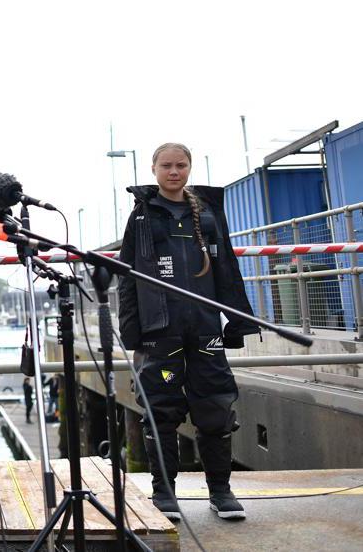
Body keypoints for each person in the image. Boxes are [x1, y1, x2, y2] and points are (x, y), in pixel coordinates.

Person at [118, 142, 259, 522]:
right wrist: (131, 331)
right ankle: (164, 493)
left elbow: (227, 267)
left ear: (189, 168)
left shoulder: (209, 215)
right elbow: (127, 278)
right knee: (160, 411)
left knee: (214, 409)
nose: (174, 172)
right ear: (154, 169)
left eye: (181, 165)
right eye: (167, 165)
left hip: (205, 329)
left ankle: (221, 491)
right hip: (160, 333)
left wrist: (238, 321)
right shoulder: (142, 217)